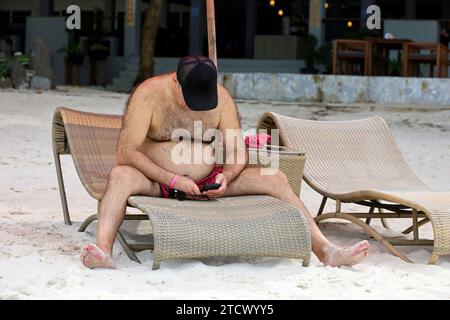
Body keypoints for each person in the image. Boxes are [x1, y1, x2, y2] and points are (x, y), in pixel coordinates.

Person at [80, 55, 369, 269]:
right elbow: (126, 151)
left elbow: (237, 151)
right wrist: (172, 179)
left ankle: (326, 249)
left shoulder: (221, 99)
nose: (198, 104)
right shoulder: (148, 96)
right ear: (174, 81)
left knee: (276, 178)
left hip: (208, 183)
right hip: (156, 182)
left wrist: (227, 177)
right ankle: (103, 250)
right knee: (120, 175)